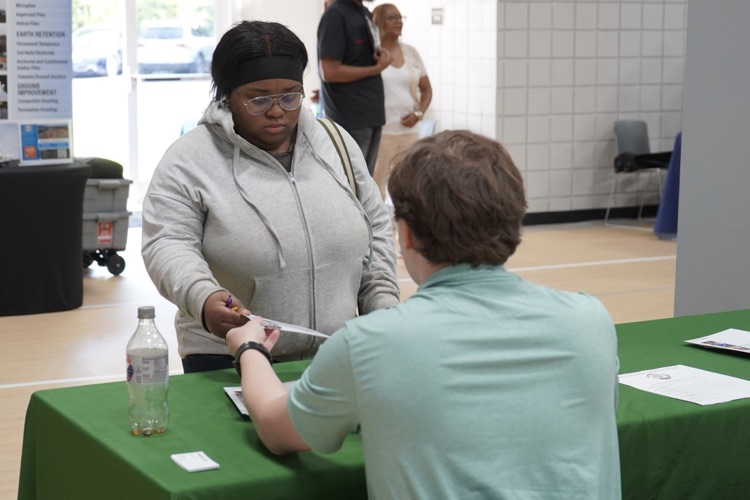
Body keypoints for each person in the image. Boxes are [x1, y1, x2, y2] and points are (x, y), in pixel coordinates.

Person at [226, 130, 622, 498]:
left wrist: (250, 350)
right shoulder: (590, 320)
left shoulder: (370, 343)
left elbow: (278, 430)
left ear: (407, 234)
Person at [141, 20, 400, 373]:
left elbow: (376, 227)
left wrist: (382, 300)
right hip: (229, 358)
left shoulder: (335, 143)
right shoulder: (190, 159)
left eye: (290, 95)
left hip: (335, 356)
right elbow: (167, 242)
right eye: (258, 99)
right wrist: (203, 296)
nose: (277, 110)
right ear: (227, 95)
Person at [317, 0, 392, 176]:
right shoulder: (335, 15)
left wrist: (381, 55)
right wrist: (377, 68)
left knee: (366, 185)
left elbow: (366, 53)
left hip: (371, 115)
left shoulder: (363, 12)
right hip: (349, 119)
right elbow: (329, 71)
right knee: (350, 184)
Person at [371, 3, 432, 200]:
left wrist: (419, 114)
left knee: (408, 188)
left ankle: (404, 231)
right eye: (392, 18)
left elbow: (426, 89)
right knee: (376, 189)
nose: (398, 21)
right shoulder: (372, 53)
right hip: (382, 133)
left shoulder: (411, 52)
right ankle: (380, 231)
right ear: (379, 22)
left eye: (400, 17)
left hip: (409, 133)